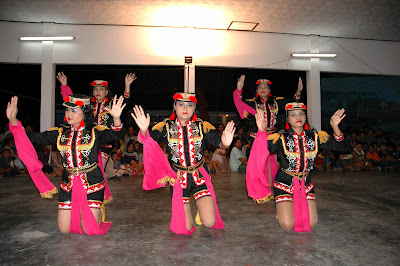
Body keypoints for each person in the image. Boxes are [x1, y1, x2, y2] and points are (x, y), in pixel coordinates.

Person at [6, 95, 125, 235]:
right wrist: (13, 120)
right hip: (68, 182)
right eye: (67, 110)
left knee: (89, 230)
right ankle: (85, 210)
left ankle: (96, 208)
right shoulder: (60, 132)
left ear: (84, 112)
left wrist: (116, 118)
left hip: (92, 181)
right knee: (64, 229)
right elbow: (33, 137)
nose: (69, 114)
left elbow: (115, 135)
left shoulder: (95, 131)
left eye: (74, 111)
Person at [131, 92, 235, 235]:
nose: (185, 108)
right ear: (174, 106)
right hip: (179, 180)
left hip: (199, 177)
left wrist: (224, 143)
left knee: (209, 223)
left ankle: (202, 211)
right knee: (185, 228)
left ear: (194, 108)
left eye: (189, 105)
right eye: (181, 104)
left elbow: (218, 142)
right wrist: (143, 131)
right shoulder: (165, 127)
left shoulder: (202, 126)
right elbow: (147, 141)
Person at [250, 102, 346, 232]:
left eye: (301, 114)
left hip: (306, 183)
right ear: (288, 119)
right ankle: (283, 209)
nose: (298, 116)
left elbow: (339, 146)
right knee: (288, 225)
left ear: (305, 118)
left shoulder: (315, 137)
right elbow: (261, 149)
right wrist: (261, 131)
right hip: (284, 183)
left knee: (312, 224)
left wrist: (335, 126)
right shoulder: (280, 138)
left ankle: (291, 207)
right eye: (293, 115)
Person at [233, 75, 304, 202]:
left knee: (272, 163)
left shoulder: (276, 102)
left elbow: (292, 102)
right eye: (260, 87)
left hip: (272, 136)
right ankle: (260, 189)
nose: (263, 89)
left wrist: (298, 91)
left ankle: (273, 188)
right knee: (259, 163)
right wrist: (239, 91)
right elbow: (240, 103)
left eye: (265, 87)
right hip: (258, 136)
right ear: (257, 90)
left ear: (269, 90)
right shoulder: (253, 103)